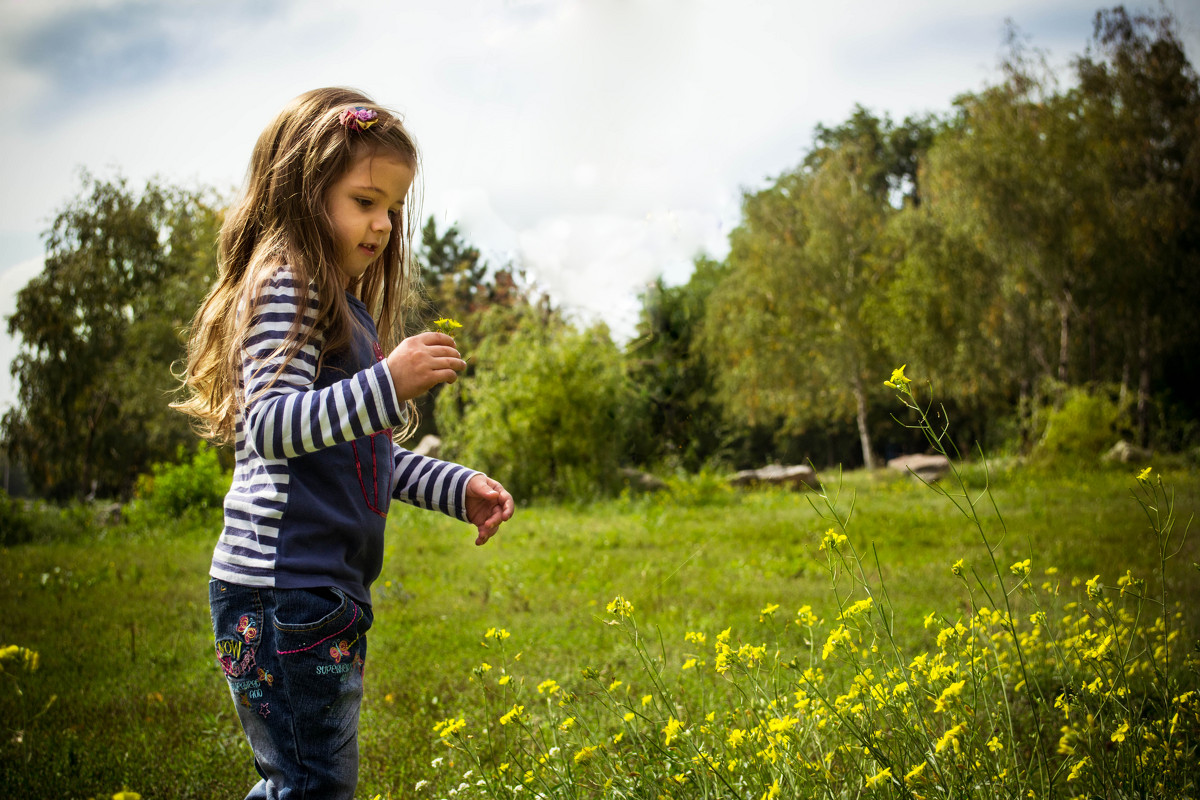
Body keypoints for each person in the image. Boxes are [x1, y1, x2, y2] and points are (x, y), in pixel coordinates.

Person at [173, 87, 514, 799]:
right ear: (305, 194)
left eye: (391, 206)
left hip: (316, 591)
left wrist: (459, 488)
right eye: (365, 201)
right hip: (282, 590)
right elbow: (269, 425)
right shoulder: (287, 289)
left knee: (304, 782)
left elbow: (362, 454)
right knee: (311, 785)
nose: (384, 224)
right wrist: (388, 383)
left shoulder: (344, 309)